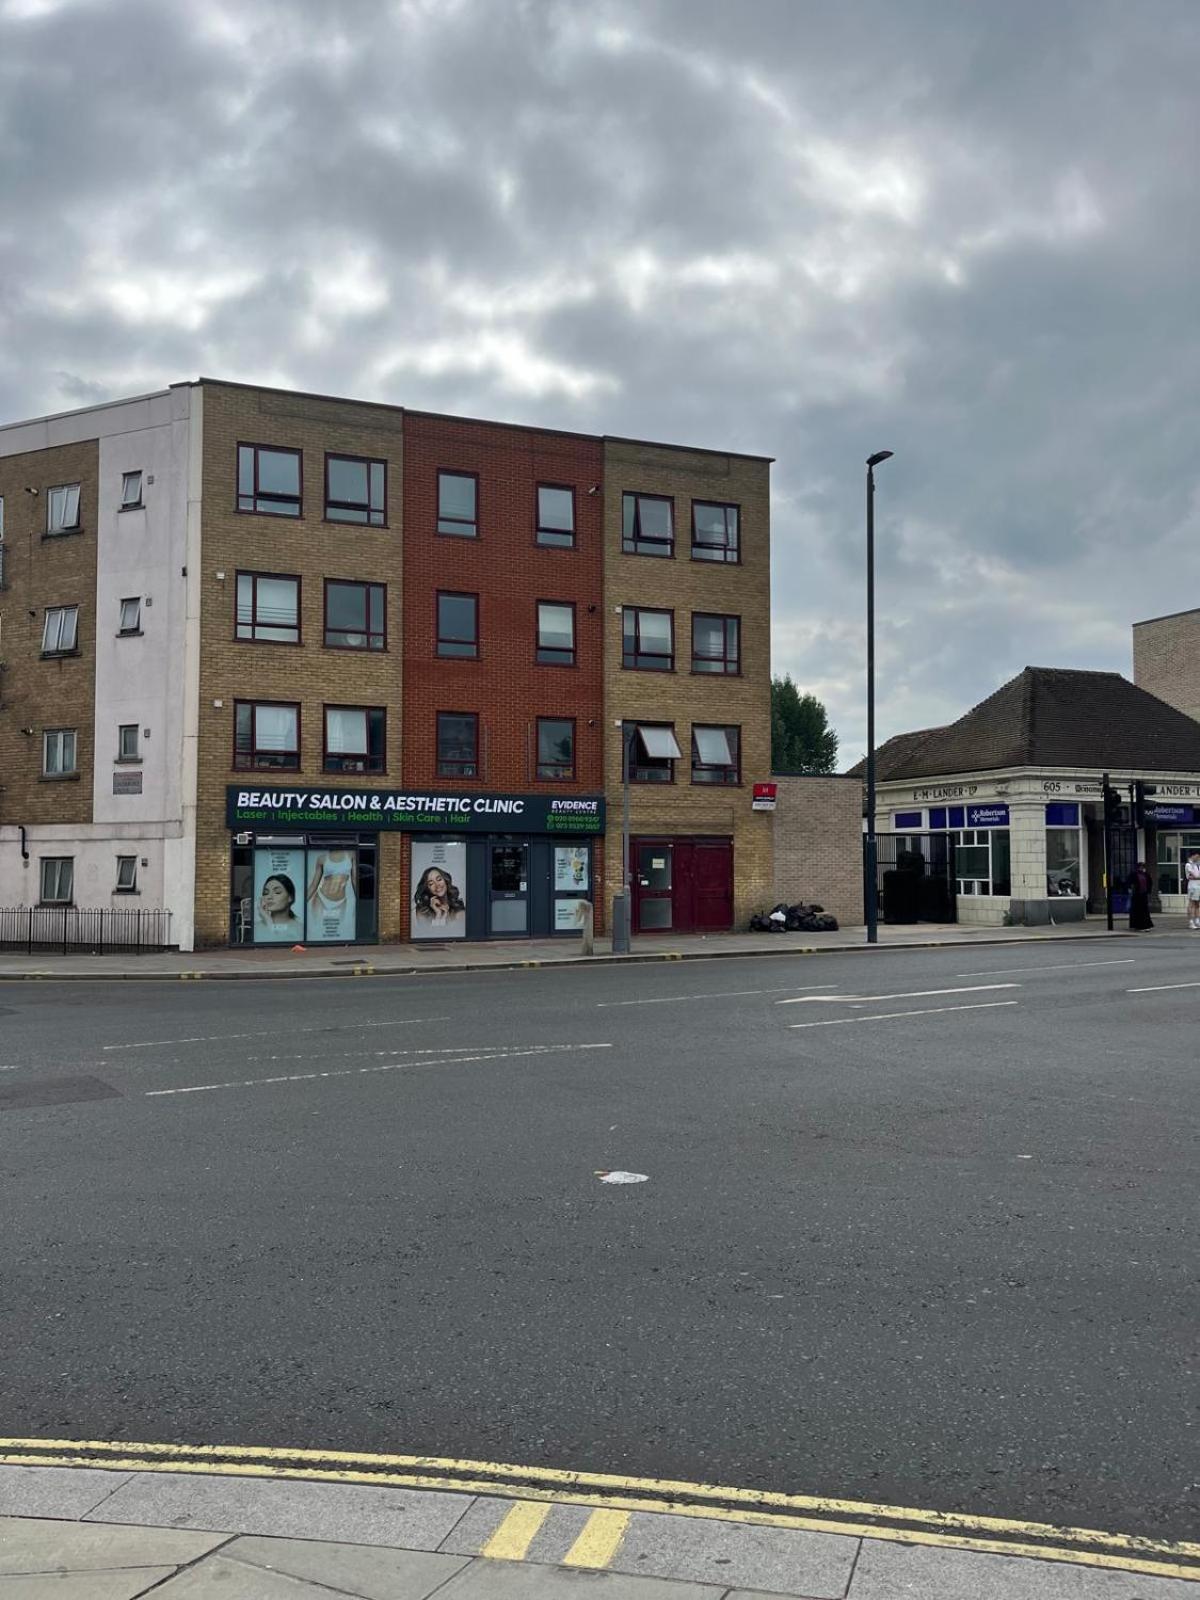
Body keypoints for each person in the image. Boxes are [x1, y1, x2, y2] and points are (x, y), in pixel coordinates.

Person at [306, 848, 357, 940]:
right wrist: (301, 904)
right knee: (318, 928)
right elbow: (314, 885)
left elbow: (354, 880)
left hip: (341, 901)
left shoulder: (351, 855)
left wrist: (359, 900)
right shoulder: (322, 858)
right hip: (321, 899)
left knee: (337, 929)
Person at [256, 873, 300, 937]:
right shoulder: (256, 928)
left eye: (277, 892)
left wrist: (269, 923)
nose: (269, 897)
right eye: (266, 893)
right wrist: (268, 920)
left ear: (290, 897)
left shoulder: (299, 929)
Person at [1128, 861, 1153, 931]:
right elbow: (1130, 883)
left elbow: (1149, 883)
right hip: (1136, 895)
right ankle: (1138, 926)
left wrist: (1148, 891)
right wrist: (1131, 889)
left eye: (1143, 867)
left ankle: (1146, 925)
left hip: (1144, 894)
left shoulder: (1146, 874)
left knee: (1145, 910)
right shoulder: (1134, 874)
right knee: (1137, 910)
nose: (1142, 868)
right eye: (1140, 867)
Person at [1187, 851, 1200, 930]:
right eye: (1197, 856)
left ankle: (1197, 920)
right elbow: (1192, 876)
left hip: (1198, 886)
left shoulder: (1198, 864)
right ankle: (1191, 922)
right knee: (1191, 904)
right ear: (1193, 856)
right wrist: (1197, 877)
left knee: (1198, 904)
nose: (1198, 858)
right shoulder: (1188, 865)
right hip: (1193, 887)